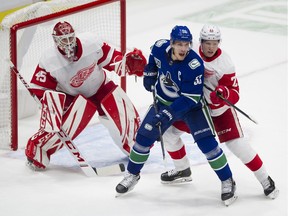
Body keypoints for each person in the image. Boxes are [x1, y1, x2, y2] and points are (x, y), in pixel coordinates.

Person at [115, 25, 237, 206]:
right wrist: (150, 72)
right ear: (171, 43)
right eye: (179, 44)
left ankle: (228, 180)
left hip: (191, 108)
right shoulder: (159, 47)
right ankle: (132, 175)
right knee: (142, 139)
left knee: (208, 146)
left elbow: (191, 98)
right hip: (163, 101)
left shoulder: (194, 64)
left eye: (186, 44)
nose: (183, 48)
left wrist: (167, 113)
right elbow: (153, 59)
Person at [160, 24, 279, 199]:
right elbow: (168, 59)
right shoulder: (188, 53)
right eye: (207, 42)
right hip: (195, 110)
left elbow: (235, 92)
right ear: (199, 42)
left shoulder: (225, 63)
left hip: (219, 112)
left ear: (219, 43)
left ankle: (265, 179)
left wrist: (223, 93)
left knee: (238, 146)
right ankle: (182, 170)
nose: (211, 47)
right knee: (168, 134)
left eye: (215, 43)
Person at [25, 21, 147, 170]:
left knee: (122, 111)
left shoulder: (91, 43)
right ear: (55, 40)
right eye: (64, 39)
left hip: (100, 87)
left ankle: (135, 149)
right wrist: (53, 104)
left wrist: (126, 64)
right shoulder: (49, 60)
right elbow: (39, 88)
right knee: (62, 127)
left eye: (70, 38)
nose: (68, 43)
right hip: (73, 98)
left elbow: (111, 59)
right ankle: (38, 151)